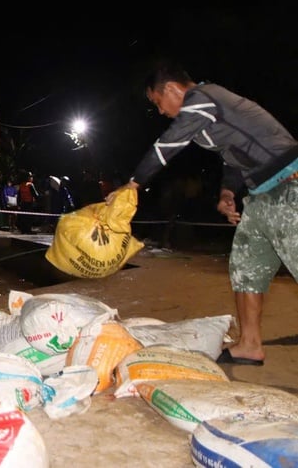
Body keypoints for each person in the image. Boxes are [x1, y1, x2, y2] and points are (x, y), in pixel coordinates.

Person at [107, 60, 297, 366]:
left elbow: (169, 144)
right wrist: (227, 193)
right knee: (245, 270)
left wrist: (134, 183)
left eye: (158, 103)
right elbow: (231, 156)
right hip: (261, 196)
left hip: (289, 185)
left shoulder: (203, 98)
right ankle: (249, 344)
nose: (161, 112)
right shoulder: (210, 113)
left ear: (170, 89)